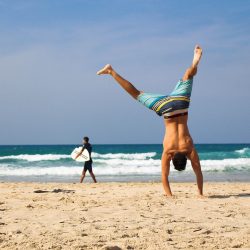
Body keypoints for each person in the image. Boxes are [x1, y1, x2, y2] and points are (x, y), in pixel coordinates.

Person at [97, 45, 203, 197]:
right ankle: (111, 71)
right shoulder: (168, 151)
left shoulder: (189, 149)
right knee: (137, 93)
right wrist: (169, 195)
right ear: (173, 158)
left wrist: (201, 193)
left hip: (180, 104)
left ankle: (194, 63)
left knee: (188, 75)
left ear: (185, 158)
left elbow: (198, 171)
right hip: (165, 109)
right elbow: (164, 176)